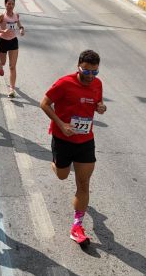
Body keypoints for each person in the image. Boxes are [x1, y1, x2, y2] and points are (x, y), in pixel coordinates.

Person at [39, 50, 107, 247]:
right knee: (62, 175)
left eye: (94, 72)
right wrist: (61, 124)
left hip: (85, 140)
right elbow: (44, 104)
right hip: (63, 139)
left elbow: (97, 102)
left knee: (83, 183)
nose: (90, 76)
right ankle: (57, 164)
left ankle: (77, 226)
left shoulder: (97, 84)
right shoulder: (64, 83)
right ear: (78, 66)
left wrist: (100, 107)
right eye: (86, 71)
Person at [0, 0, 24, 98]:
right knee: (4, 62)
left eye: (12, 4)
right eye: (8, 3)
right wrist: (2, 30)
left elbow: (19, 25)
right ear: (5, 4)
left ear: (14, 5)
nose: (10, 6)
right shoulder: (1, 16)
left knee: (12, 66)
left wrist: (22, 29)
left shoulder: (16, 15)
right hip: (3, 42)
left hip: (13, 41)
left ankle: (12, 89)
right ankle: (0, 65)